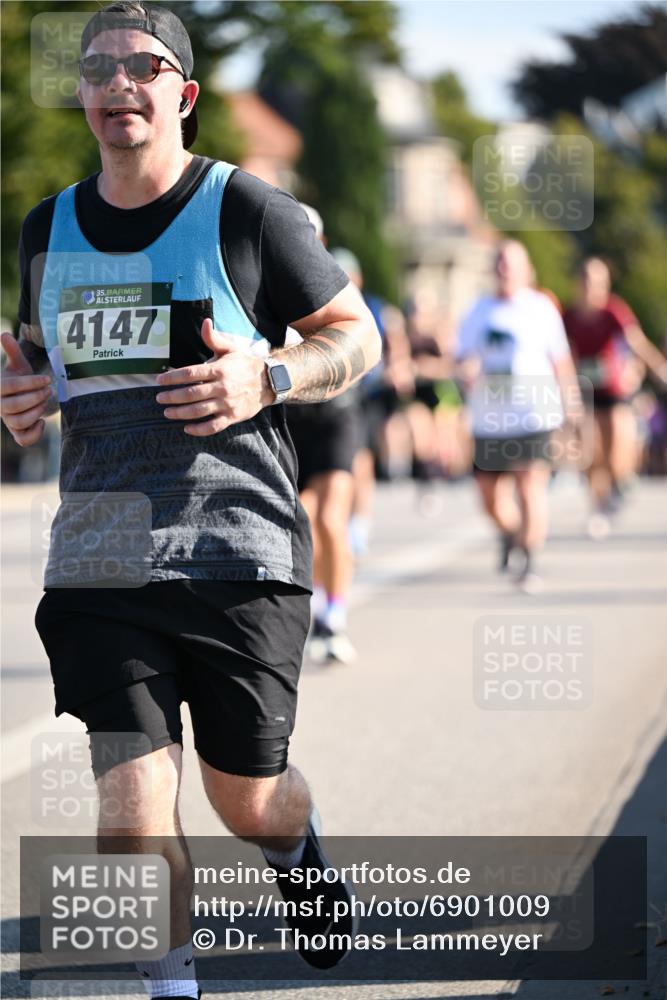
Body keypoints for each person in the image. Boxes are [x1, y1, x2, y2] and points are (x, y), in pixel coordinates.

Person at [0, 3, 381, 996]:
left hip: (236, 553)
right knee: (129, 808)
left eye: (143, 65)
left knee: (247, 797)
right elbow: (39, 365)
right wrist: (21, 393)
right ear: (82, 92)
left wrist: (271, 376)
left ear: (185, 93)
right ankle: (172, 983)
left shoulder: (248, 211)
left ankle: (298, 861)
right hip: (100, 559)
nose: (118, 82)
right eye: (98, 68)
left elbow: (356, 334)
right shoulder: (47, 227)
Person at [455, 240, 582, 593]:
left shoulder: (541, 308)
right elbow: (462, 357)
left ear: (526, 270)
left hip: (534, 415)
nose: (504, 269)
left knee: (530, 487)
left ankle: (529, 560)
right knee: (490, 499)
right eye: (498, 262)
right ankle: (512, 534)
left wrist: (572, 404)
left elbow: (561, 361)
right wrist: (467, 369)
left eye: (511, 263)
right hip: (490, 419)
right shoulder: (477, 311)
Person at [286, 237, 367, 665]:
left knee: (331, 517)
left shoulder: (337, 291)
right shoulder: (272, 284)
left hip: (336, 415)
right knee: (302, 518)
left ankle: (335, 617)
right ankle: (318, 606)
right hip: (293, 418)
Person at [563, 257, 667, 538]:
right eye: (586, 281)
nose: (591, 288)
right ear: (578, 283)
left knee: (616, 448)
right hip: (584, 392)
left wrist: (659, 368)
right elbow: (560, 354)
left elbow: (636, 342)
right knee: (588, 453)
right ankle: (598, 507)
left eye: (598, 283)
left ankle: (621, 481)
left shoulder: (614, 311)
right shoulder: (568, 316)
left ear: (605, 285)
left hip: (614, 390)